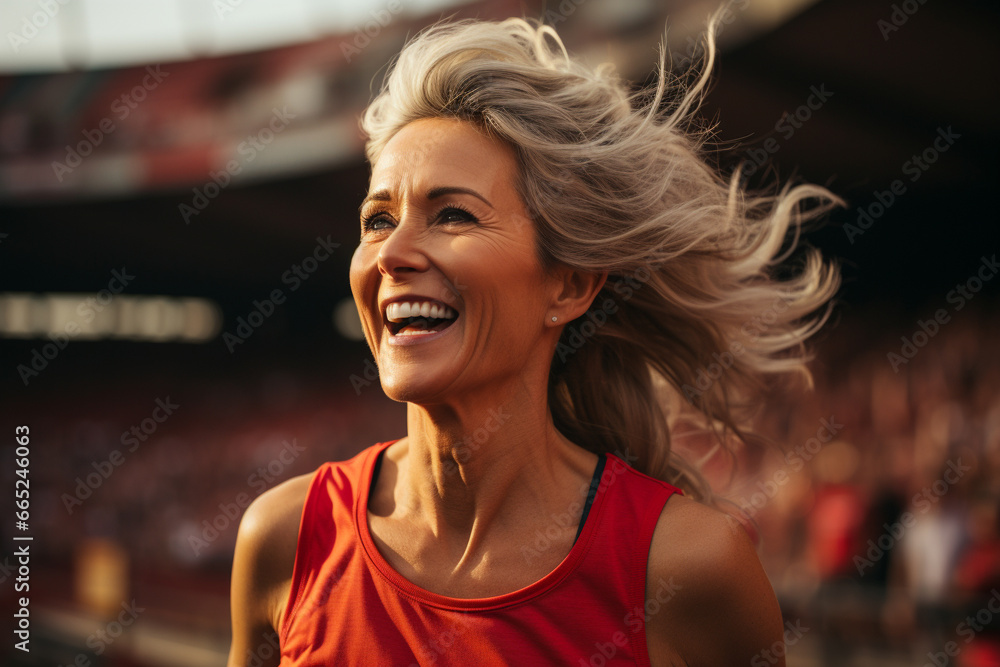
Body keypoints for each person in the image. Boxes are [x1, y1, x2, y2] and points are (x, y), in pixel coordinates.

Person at [229, 14, 840, 666]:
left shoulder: (690, 566)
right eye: (378, 219)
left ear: (569, 286)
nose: (392, 254)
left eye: (453, 214)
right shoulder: (287, 538)